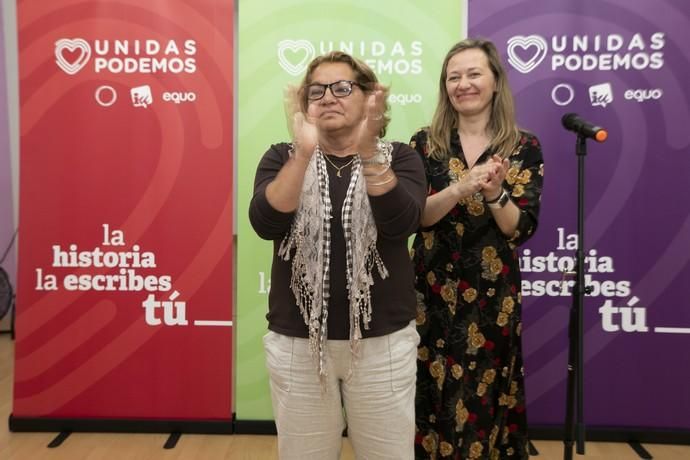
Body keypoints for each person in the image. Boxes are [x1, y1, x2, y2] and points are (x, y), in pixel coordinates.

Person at [249, 51, 427, 459]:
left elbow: (402, 223)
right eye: (317, 90)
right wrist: (303, 152)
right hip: (298, 343)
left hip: (382, 344)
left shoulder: (400, 158)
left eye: (342, 87)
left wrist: (367, 152)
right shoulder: (281, 157)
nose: (328, 97)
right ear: (304, 105)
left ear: (367, 98)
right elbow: (265, 222)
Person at [410, 38, 544, 459]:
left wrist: (496, 192)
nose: (463, 84)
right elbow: (417, 217)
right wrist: (462, 186)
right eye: (454, 76)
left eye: (473, 74)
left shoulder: (523, 147)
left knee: (484, 401)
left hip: (492, 301)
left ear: (495, 82)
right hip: (428, 297)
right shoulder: (423, 143)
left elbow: (518, 230)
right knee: (425, 398)